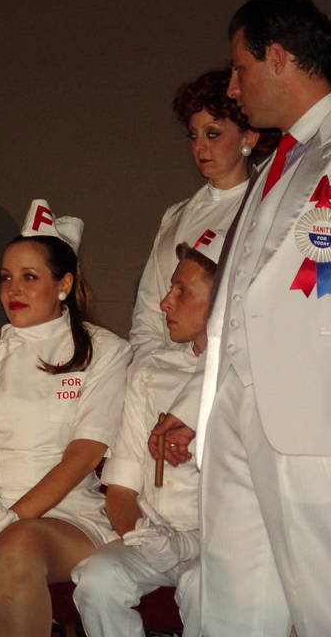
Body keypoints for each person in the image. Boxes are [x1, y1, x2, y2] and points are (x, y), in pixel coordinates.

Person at [156, 0, 331, 635]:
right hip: (236, 415)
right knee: (233, 604)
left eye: (240, 68)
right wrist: (200, 398)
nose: (233, 87)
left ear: (278, 57)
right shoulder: (275, 165)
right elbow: (246, 301)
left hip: (319, 420)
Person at [0, 200, 130, 637]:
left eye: (29, 277)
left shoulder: (105, 350)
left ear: (64, 284)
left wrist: (16, 516)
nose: (13, 290)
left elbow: (83, 455)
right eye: (5, 278)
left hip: (66, 512)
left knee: (18, 545)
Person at [72, 231, 223, 637]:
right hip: (156, 536)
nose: (165, 302)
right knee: (96, 580)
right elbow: (121, 490)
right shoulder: (151, 370)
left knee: (201, 587)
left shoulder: (250, 377)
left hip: (225, 544)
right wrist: (143, 535)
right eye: (170, 288)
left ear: (223, 297)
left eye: (182, 290)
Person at [129, 69, 270, 365]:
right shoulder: (176, 215)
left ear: (249, 136)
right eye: (193, 135)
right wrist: (148, 368)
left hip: (223, 373)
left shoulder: (263, 211)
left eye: (213, 133)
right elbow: (148, 311)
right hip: (162, 373)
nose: (200, 146)